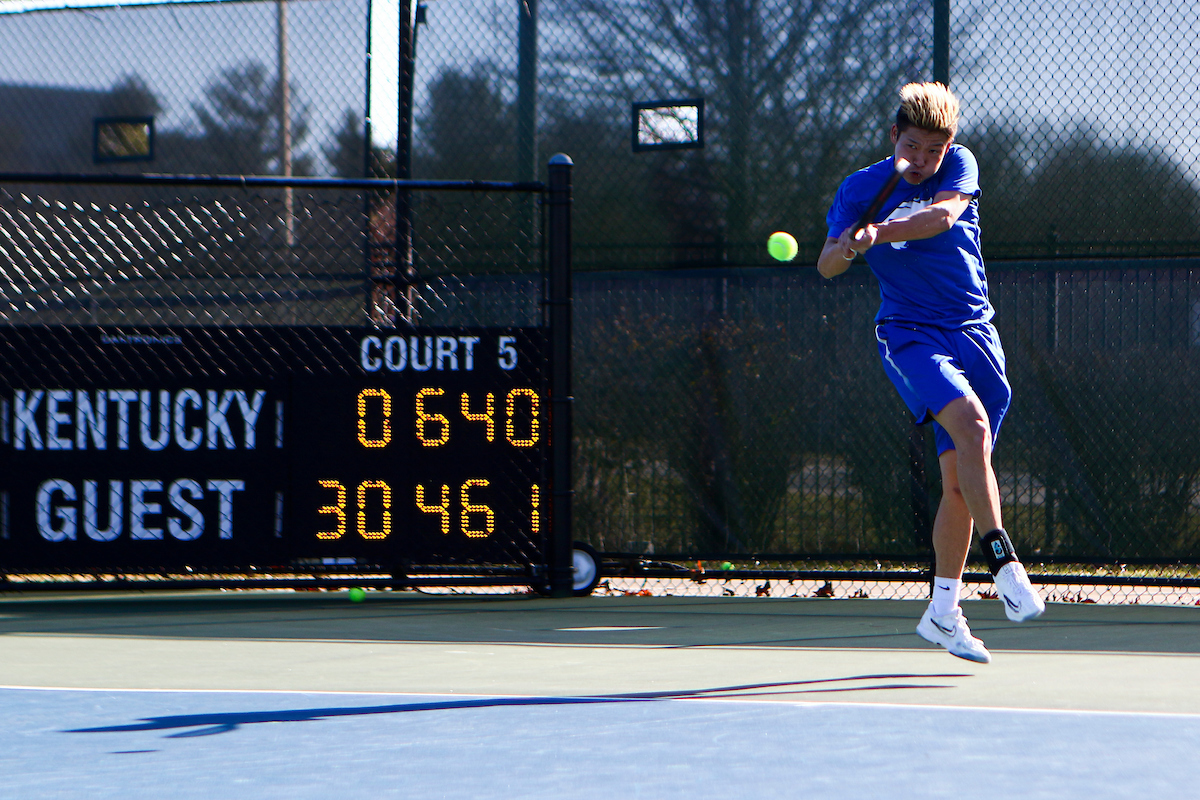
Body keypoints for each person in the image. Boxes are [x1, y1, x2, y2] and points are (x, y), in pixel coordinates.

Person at [817, 82, 1044, 663]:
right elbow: (825, 267)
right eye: (912, 146)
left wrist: (882, 233)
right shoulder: (858, 189)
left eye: (932, 150)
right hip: (910, 335)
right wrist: (848, 246)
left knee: (960, 482)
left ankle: (943, 612)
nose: (921, 160)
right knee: (968, 425)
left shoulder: (957, 167)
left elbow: (942, 218)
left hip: (976, 334)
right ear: (894, 136)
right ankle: (1005, 563)